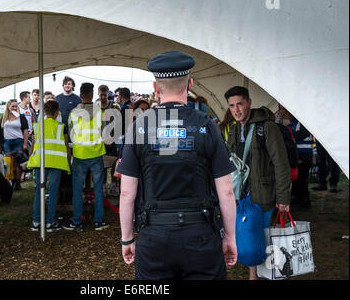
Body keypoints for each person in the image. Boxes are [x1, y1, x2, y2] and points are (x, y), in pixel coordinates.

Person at [117, 51, 237, 280]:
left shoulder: (139, 127)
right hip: (200, 236)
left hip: (154, 238)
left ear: (155, 87)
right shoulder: (207, 126)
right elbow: (226, 191)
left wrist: (127, 238)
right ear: (190, 84)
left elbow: (125, 193)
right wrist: (230, 237)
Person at [225, 85, 291, 280]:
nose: (236, 110)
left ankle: (266, 274)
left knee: (264, 238)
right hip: (243, 196)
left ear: (249, 103)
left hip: (263, 195)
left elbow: (281, 164)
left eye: (240, 104)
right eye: (232, 106)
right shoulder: (235, 129)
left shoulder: (267, 127)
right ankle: (253, 276)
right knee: (250, 238)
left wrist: (283, 197)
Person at [63, 82, 108, 232]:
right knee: (98, 189)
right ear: (92, 94)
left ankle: (77, 221)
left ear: (80, 95)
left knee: (77, 189)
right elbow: (104, 132)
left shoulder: (73, 112)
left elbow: (69, 133)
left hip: (80, 154)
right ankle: (98, 221)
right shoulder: (99, 111)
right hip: (96, 154)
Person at [27, 100, 71, 232]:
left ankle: (36, 222)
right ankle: (50, 222)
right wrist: (68, 162)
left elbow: (33, 145)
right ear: (58, 112)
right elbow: (66, 147)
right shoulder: (61, 127)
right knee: (52, 193)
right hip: (56, 163)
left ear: (45, 112)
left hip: (40, 162)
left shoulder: (37, 126)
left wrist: (30, 159)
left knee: (39, 192)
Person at [0, 99, 29, 190]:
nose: (15, 108)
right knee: (8, 163)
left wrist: (25, 143)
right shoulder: (4, 117)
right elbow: (0, 132)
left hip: (18, 141)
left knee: (17, 164)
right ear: (8, 107)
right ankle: (9, 183)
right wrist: (0, 145)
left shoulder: (21, 117)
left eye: (16, 106)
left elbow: (25, 130)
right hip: (7, 142)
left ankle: (17, 183)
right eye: (13, 106)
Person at [96, 85, 120, 196]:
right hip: (100, 140)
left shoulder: (114, 106)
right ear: (98, 93)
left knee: (115, 163)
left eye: (105, 95)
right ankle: (104, 186)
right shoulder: (95, 106)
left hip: (112, 139)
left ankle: (114, 186)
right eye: (101, 94)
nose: (103, 97)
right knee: (103, 165)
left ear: (108, 94)